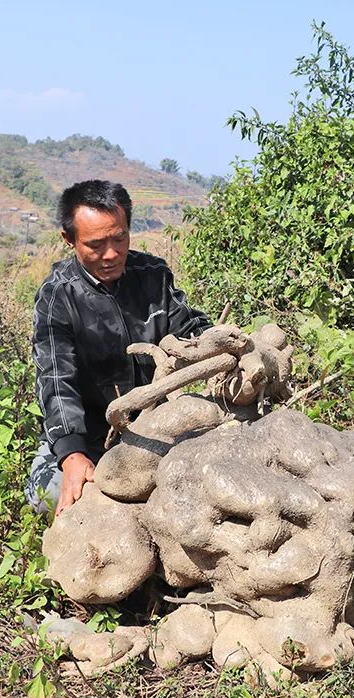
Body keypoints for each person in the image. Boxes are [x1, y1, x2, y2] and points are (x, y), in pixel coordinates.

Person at [28, 180, 211, 516]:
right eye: (95, 245)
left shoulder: (153, 276)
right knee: (49, 494)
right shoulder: (58, 297)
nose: (111, 254)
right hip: (91, 439)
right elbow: (56, 380)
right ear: (69, 240)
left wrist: (223, 345)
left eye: (119, 238)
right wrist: (71, 453)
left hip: (155, 432)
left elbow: (191, 329)